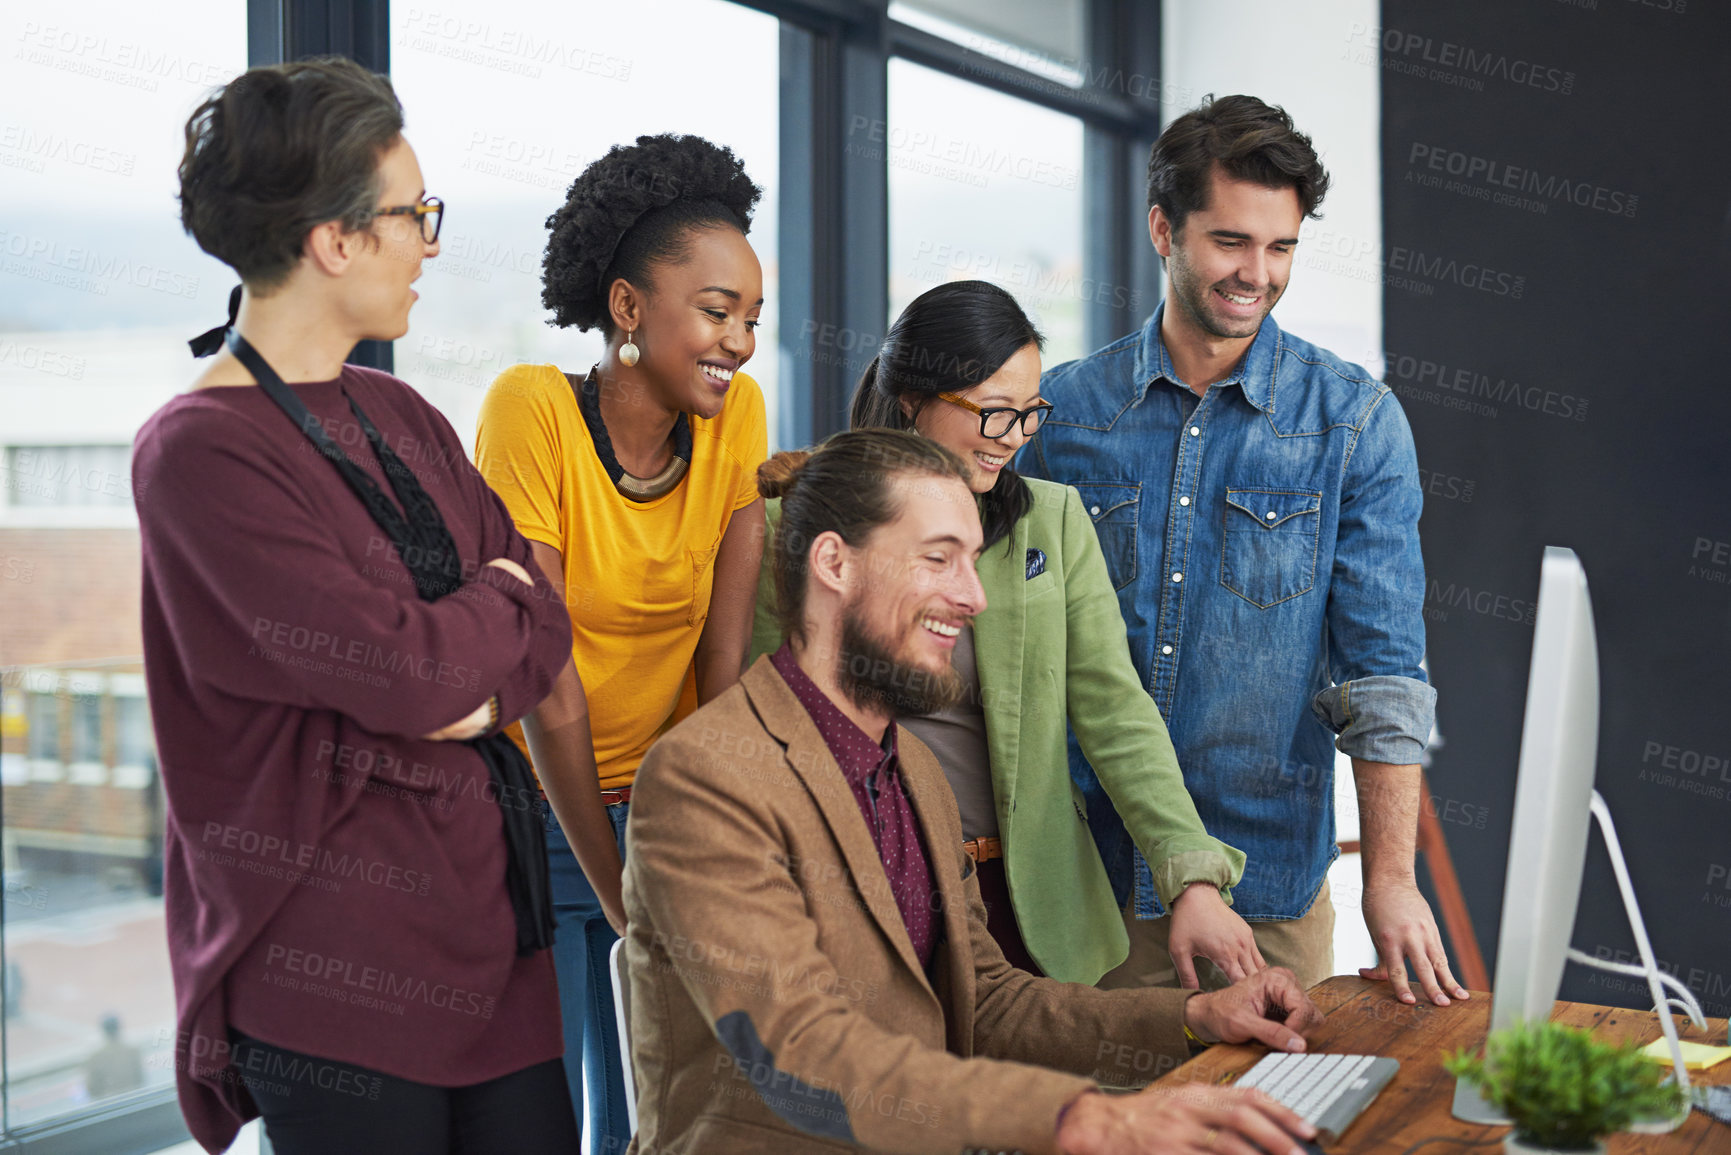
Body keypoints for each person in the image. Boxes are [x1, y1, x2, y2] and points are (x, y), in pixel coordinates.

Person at [624, 429, 1327, 1154]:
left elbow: (985, 998)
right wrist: (1083, 1118)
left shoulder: (915, 774)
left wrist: (1194, 1015)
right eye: (939, 558)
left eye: (972, 558)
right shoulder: (706, 777)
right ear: (833, 562)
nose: (974, 596)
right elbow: (797, 1053)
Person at [138, 58, 577, 1153]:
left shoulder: (398, 408)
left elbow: (546, 608)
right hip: (336, 966)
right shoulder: (200, 452)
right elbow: (410, 672)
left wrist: (459, 666)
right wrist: (477, 637)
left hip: (495, 944)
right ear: (334, 242)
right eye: (412, 216)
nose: (431, 243)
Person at [1022, 94, 1466, 1005]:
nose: (1255, 274)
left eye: (1281, 248)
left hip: (1260, 897)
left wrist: (1386, 877)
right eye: (1230, 241)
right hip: (1075, 889)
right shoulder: (1060, 417)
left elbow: (1381, 672)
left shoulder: (1354, 423)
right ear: (1162, 228)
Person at [750, 280, 1260, 987]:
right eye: (994, 413)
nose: (1015, 438)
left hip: (1034, 908)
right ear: (910, 398)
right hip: (873, 895)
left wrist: (1192, 879)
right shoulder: (801, 529)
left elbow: (1114, 710)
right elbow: (767, 729)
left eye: (1029, 413)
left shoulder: (1048, 519)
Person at [473, 132, 768, 1149]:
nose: (739, 341)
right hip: (531, 813)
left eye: (753, 319)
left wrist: (711, 846)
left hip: (667, 805)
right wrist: (623, 899)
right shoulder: (531, 412)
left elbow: (722, 668)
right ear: (630, 308)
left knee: (657, 1110)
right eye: (718, 312)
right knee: (550, 1113)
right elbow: (543, 683)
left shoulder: (738, 420)